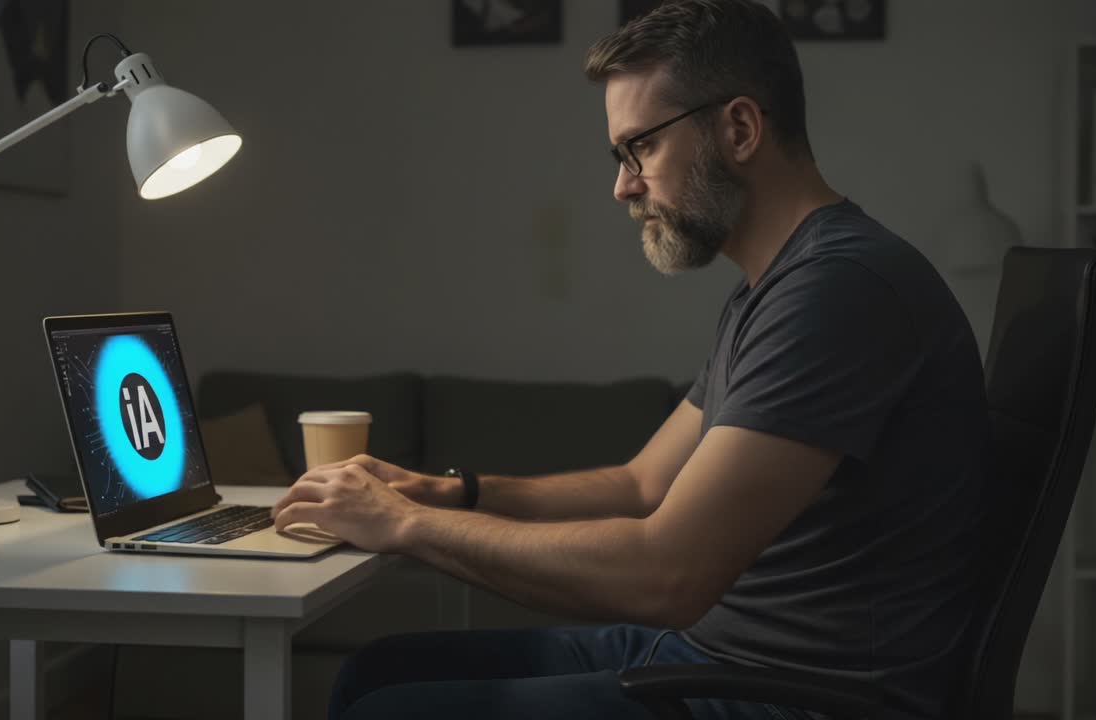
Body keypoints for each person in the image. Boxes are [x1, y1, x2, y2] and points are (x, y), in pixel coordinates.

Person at [271, 1, 990, 718]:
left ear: (739, 128)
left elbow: (665, 575)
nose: (623, 186)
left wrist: (403, 525)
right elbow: (642, 483)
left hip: (786, 695)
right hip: (711, 656)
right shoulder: (774, 290)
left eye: (639, 148)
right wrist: (447, 492)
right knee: (374, 672)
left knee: (385, 712)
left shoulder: (839, 291)